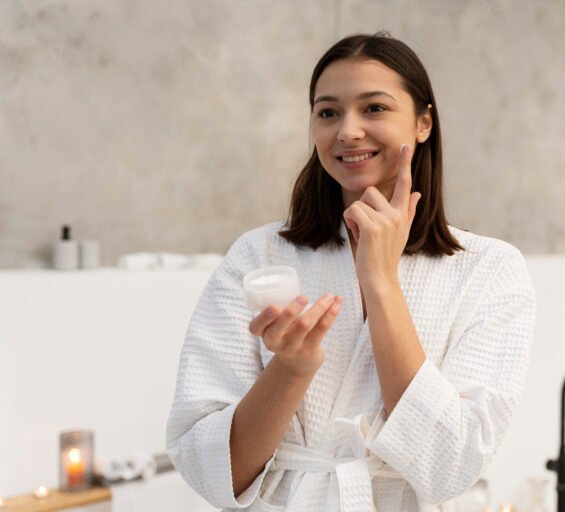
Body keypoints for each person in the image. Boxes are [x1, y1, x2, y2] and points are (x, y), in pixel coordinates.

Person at [166, 32, 536, 512]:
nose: (348, 131)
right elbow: (213, 470)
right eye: (328, 112)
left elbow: (449, 464)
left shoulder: (489, 269)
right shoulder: (259, 256)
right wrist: (292, 367)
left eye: (374, 108)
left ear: (423, 123)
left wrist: (381, 282)